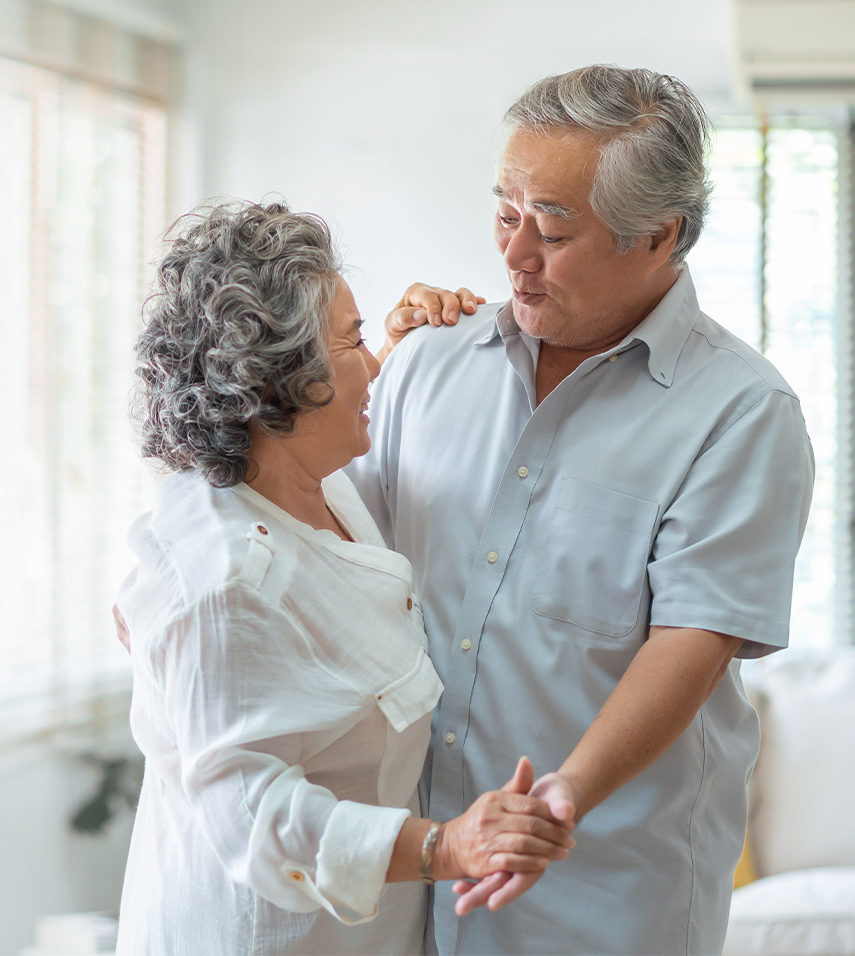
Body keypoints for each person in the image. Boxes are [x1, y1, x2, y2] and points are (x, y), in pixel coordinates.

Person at [346, 64, 816, 955]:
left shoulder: (741, 413)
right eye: (504, 214)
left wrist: (564, 794)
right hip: (411, 878)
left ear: (658, 237)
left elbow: (694, 640)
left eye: (553, 230)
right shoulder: (427, 362)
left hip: (605, 894)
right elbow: (346, 560)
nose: (514, 253)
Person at [113, 200, 574, 955]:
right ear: (275, 385)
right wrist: (447, 847)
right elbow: (256, 817)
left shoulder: (312, 487)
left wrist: (394, 344)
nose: (374, 366)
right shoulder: (224, 580)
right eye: (351, 340)